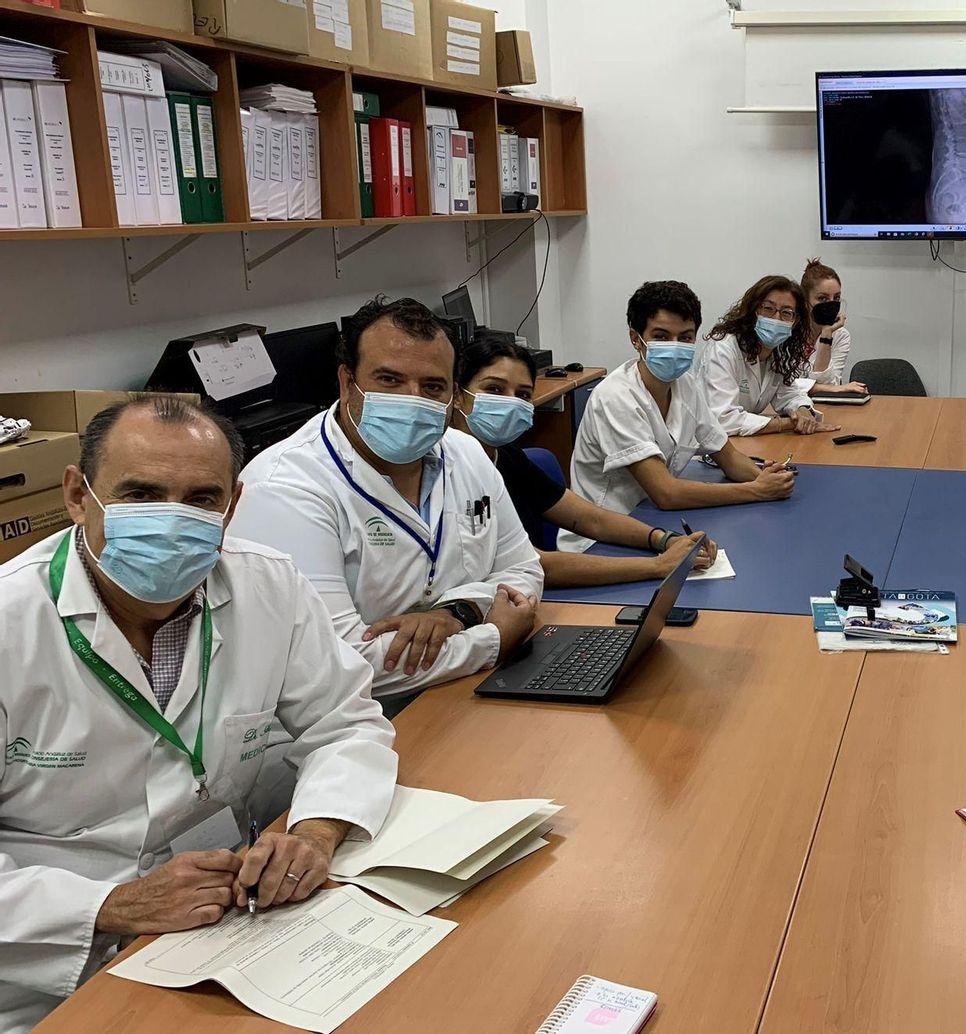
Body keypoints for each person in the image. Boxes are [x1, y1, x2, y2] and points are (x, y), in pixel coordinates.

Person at [0, 396, 397, 1033]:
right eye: (140, 495)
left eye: (200, 499)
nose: (170, 520)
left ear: (232, 506)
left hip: (220, 930)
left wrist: (315, 834)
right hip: (39, 973)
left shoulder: (269, 585)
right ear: (77, 495)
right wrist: (113, 904)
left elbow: (346, 722)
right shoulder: (9, 623)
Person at [231, 295, 544, 705]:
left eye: (432, 386)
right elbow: (344, 664)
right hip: (342, 729)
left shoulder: (464, 452)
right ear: (347, 383)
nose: (413, 399)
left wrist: (458, 613)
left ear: (453, 394)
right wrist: (493, 638)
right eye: (390, 380)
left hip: (458, 697)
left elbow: (524, 571)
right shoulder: (286, 487)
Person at [452, 335, 720, 585]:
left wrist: (665, 541)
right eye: (494, 389)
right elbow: (534, 563)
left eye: (522, 395)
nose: (509, 402)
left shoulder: (507, 456)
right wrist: (658, 566)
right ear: (457, 394)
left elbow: (592, 519)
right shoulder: (451, 471)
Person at [561, 280, 795, 552]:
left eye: (685, 337)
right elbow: (666, 493)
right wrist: (756, 491)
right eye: (661, 336)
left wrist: (765, 478)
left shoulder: (684, 383)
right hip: (604, 539)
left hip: (655, 523)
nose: (675, 346)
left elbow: (729, 459)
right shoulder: (616, 397)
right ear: (636, 339)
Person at [701, 274, 842, 437]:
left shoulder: (777, 350)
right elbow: (723, 419)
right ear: (753, 311)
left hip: (744, 443)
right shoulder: (724, 350)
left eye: (786, 313)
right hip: (706, 447)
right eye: (768, 309)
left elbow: (787, 392)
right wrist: (787, 423)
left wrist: (802, 410)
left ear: (795, 321)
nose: (776, 318)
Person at [798, 258, 868, 395]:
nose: (830, 304)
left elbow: (828, 387)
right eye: (822, 298)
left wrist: (826, 335)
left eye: (836, 298)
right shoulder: (787, 331)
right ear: (805, 300)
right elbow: (781, 386)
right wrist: (835, 388)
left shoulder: (841, 335)